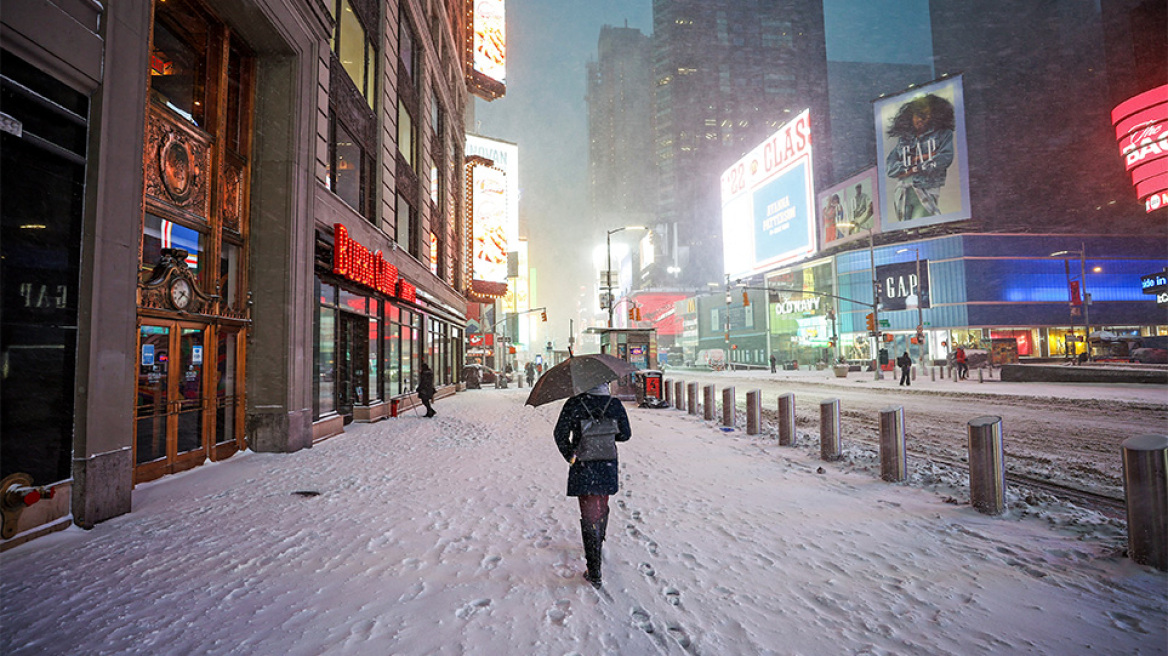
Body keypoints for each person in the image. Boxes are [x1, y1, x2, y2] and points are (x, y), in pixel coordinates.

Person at [553, 382, 631, 588]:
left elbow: (559, 434)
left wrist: (571, 455)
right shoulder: (614, 404)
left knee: (588, 513)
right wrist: (605, 431)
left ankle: (594, 569)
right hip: (606, 463)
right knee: (602, 503)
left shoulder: (574, 403)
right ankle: (599, 538)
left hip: (584, 465)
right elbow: (625, 435)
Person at [885, 93, 956, 222]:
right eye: (917, 115)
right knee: (907, 230)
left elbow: (945, 158)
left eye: (925, 115)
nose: (920, 120)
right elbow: (890, 169)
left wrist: (915, 167)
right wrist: (917, 160)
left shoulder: (943, 134)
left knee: (922, 224)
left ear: (934, 116)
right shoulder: (904, 139)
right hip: (902, 192)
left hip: (925, 189)